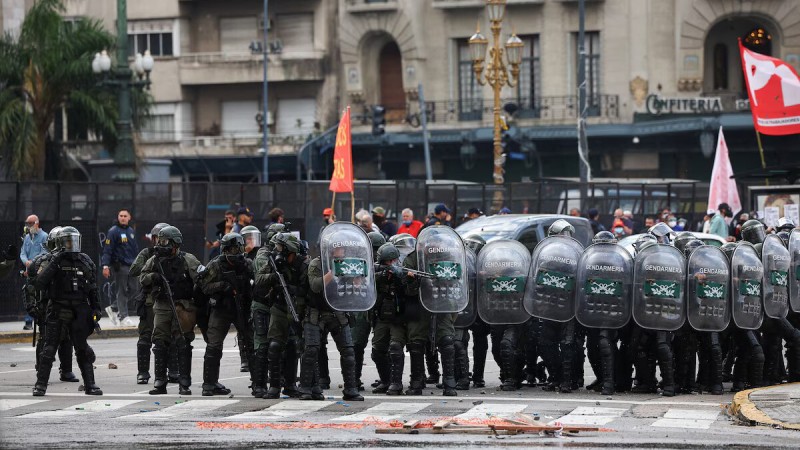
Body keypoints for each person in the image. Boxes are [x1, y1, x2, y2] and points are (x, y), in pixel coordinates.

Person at [32, 227, 102, 396]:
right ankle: (40, 385)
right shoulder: (53, 260)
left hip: (78, 311)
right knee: (49, 349)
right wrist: (56, 261)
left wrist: (96, 308)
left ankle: (90, 385)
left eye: (74, 240)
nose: (72, 245)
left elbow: (93, 287)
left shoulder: (84, 261)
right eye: (68, 241)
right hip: (58, 309)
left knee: (82, 348)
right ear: (60, 243)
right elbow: (39, 283)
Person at [139, 226, 202, 395]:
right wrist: (153, 277)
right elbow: (142, 277)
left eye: (165, 241)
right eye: (160, 241)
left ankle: (184, 381)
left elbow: (202, 280)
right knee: (159, 342)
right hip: (162, 305)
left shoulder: (188, 260)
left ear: (175, 243)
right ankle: (160, 381)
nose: (161, 244)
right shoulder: (154, 260)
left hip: (182, 305)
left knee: (183, 342)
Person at [300, 246, 365, 401]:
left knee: (348, 352)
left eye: (343, 249)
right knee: (311, 350)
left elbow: (355, 289)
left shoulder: (348, 263)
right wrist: (334, 271)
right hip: (317, 312)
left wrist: (357, 280)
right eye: (339, 249)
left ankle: (350, 389)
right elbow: (315, 286)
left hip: (338, 311)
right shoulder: (317, 264)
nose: (342, 252)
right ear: (329, 250)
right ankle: (307, 389)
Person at [198, 233, 256, 396]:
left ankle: (258, 383)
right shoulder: (216, 265)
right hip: (222, 308)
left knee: (251, 344)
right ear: (225, 250)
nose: (237, 252)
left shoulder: (248, 264)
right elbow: (203, 286)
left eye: (239, 248)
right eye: (233, 249)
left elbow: (258, 281)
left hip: (242, 309)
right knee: (214, 345)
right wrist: (222, 286)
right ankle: (209, 384)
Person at [256, 232, 308, 399]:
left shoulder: (303, 264)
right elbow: (259, 279)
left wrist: (294, 290)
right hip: (279, 307)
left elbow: (310, 288)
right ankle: (274, 386)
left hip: (297, 309)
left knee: (295, 346)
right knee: (275, 346)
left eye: (281, 248)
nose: (278, 251)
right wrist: (274, 277)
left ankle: (291, 385)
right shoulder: (274, 262)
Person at [130, 223, 180, 385]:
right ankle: (143, 373)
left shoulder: (176, 255)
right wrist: (153, 269)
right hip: (149, 300)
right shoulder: (148, 253)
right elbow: (135, 270)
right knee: (145, 336)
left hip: (168, 299)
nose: (160, 241)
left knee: (171, 337)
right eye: (158, 238)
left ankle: (173, 371)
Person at [101, 209, 140, 327]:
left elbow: (135, 250)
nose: (123, 218)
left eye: (125, 216)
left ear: (129, 218)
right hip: (120, 265)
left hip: (132, 265)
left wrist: (138, 263)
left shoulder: (131, 231)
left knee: (135, 289)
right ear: (118, 217)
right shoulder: (113, 231)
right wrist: (105, 266)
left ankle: (113, 308)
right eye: (120, 216)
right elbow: (107, 250)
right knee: (121, 290)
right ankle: (123, 317)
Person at [20, 214, 48, 330]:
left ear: (37, 223)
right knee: (29, 295)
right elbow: (22, 253)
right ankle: (28, 321)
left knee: (39, 296)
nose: (28, 226)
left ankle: (41, 319)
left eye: (30, 223)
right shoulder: (27, 238)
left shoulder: (44, 236)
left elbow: (44, 252)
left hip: (39, 272)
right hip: (29, 272)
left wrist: (33, 263)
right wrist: (26, 262)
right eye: (27, 223)